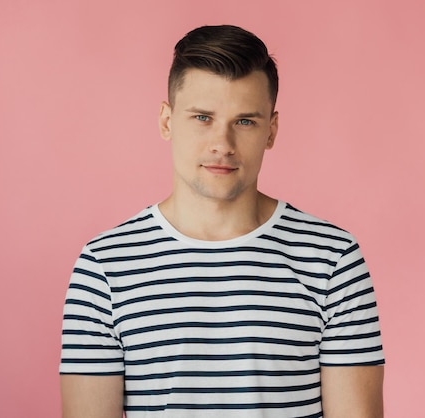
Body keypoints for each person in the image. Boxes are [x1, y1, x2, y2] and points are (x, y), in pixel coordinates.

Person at [60, 24, 385, 418]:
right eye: (202, 117)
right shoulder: (105, 266)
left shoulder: (332, 259)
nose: (223, 144)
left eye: (245, 121)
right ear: (166, 121)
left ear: (271, 130)